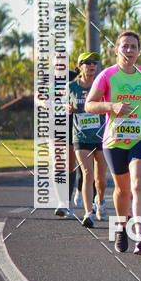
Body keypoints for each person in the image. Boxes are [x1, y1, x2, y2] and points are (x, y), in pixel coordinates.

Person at [85, 31, 141, 255]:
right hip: (115, 139)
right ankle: (121, 228)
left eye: (133, 47)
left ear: (139, 51)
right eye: (125, 46)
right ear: (117, 49)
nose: (129, 50)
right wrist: (111, 106)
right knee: (122, 188)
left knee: (138, 184)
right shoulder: (107, 75)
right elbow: (90, 105)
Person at [69, 52, 108, 227]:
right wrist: (66, 107)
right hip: (81, 136)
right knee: (87, 174)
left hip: (101, 136)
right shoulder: (71, 87)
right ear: (80, 66)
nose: (92, 65)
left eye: (95, 63)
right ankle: (87, 213)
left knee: (101, 179)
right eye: (88, 62)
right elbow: (62, 103)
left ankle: (100, 202)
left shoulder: (101, 86)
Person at [55, 65, 80, 218]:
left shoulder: (73, 77)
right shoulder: (47, 80)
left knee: (70, 165)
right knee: (58, 162)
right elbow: (39, 97)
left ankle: (68, 199)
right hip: (55, 125)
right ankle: (61, 202)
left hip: (72, 124)